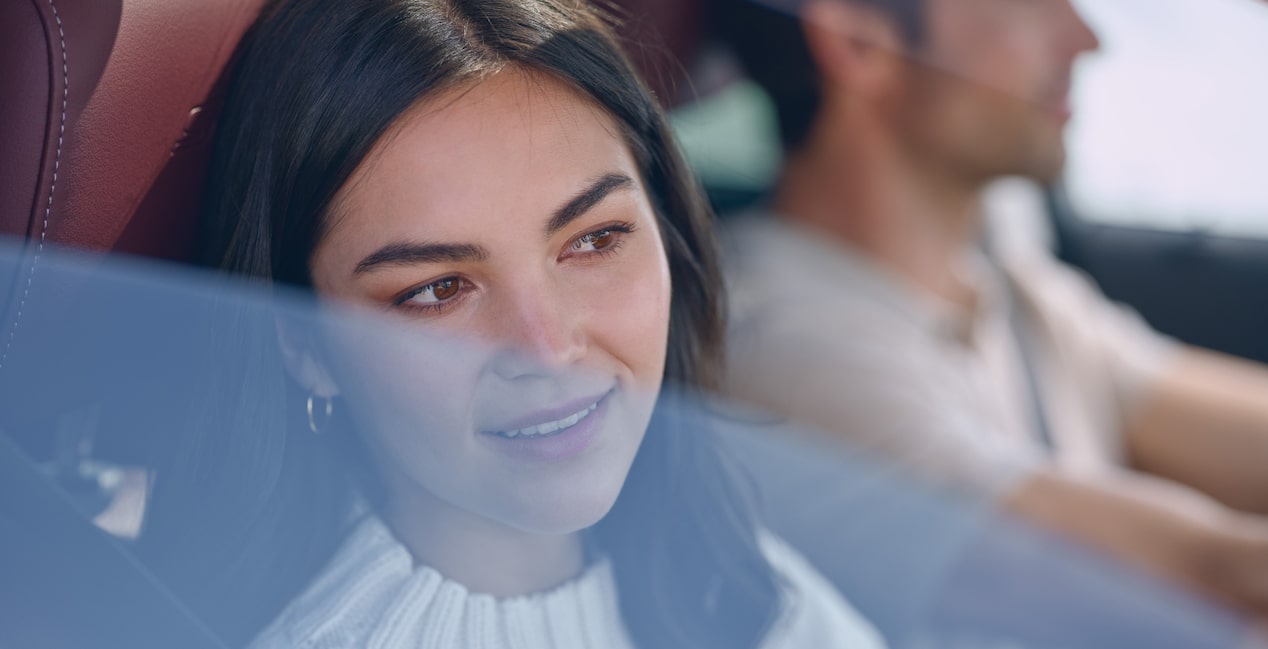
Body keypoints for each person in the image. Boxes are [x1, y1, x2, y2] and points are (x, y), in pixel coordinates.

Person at [134, 0, 888, 647]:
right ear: (304, 343)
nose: (548, 345)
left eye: (594, 240)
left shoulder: (736, 576)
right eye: (438, 289)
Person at [712, 0, 1268, 617]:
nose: (1085, 39)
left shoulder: (1006, 289)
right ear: (857, 42)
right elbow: (1208, 576)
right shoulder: (787, 347)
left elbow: (1220, 426)